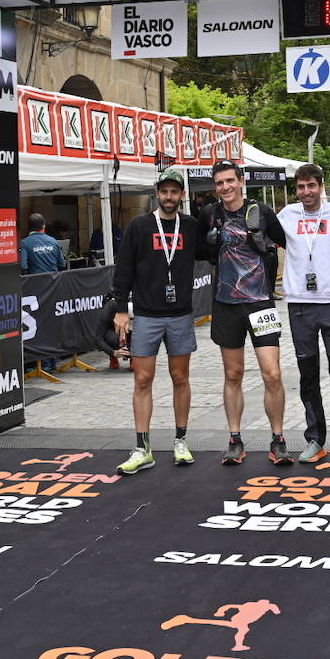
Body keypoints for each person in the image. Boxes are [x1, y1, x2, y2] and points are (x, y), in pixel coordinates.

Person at [109, 169, 205, 474]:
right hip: (147, 314)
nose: (169, 197)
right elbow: (123, 269)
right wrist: (121, 308)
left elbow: (213, 252)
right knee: (142, 379)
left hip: (179, 314)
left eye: (174, 192)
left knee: (180, 378)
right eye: (164, 191)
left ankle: (180, 440)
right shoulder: (139, 225)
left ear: (182, 196)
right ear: (157, 193)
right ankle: (142, 448)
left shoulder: (190, 226)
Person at [200, 159, 292, 465]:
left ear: (241, 181)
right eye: (219, 183)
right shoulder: (209, 215)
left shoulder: (262, 212)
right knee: (233, 374)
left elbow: (286, 242)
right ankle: (235, 439)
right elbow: (200, 251)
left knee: (273, 373)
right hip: (226, 305)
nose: (225, 187)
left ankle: (278, 439)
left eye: (230, 181)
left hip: (260, 303)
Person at [278, 163, 330, 463]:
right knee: (307, 374)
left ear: (321, 186)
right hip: (299, 304)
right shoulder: (286, 215)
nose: (306, 192)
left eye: (311, 185)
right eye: (301, 187)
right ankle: (315, 439)